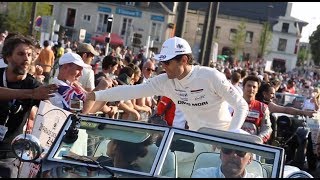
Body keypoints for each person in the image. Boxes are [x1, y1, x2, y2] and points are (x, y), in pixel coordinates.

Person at [86, 36, 248, 132]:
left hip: (226, 141)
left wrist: (231, 136)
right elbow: (130, 91)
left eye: (167, 62)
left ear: (184, 60)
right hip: (197, 140)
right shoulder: (165, 81)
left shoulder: (210, 76)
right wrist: (96, 95)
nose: (162, 67)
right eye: (162, 62)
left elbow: (241, 105)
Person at [0, 34, 58, 178]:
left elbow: (51, 114)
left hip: (9, 155)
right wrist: (31, 94)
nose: (26, 59)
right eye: (20, 54)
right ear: (7, 57)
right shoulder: (33, 90)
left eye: (29, 55)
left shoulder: (34, 85)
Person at [191, 129, 262, 178]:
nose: (233, 155)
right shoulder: (203, 175)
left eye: (240, 151)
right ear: (220, 154)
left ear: (250, 159)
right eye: (227, 149)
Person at [240, 75, 272, 143]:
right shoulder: (232, 104)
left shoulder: (262, 108)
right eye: (249, 85)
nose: (251, 89)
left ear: (257, 90)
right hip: (232, 142)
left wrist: (258, 140)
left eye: (254, 87)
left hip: (252, 145)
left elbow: (267, 129)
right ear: (243, 87)